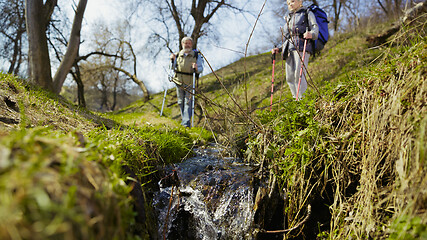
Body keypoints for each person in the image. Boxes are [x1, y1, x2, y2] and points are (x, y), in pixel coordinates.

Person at [272, 0, 319, 100]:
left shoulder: (307, 13)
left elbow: (315, 27)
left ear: (300, 1)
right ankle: (296, 99)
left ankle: (302, 99)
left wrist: (312, 34)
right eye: (288, 3)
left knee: (299, 74)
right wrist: (279, 49)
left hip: (302, 46)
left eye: (293, 1)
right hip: (289, 49)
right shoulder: (288, 17)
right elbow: (287, 38)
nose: (290, 4)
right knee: (289, 76)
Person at [170, 36, 204, 127]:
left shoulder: (196, 55)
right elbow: (172, 68)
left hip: (190, 82)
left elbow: (201, 69)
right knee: (181, 102)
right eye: (185, 43)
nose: (187, 45)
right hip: (178, 81)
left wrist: (196, 68)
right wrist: (172, 60)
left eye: (189, 43)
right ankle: (185, 121)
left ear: (191, 44)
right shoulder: (177, 55)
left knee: (188, 103)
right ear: (182, 44)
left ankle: (185, 123)